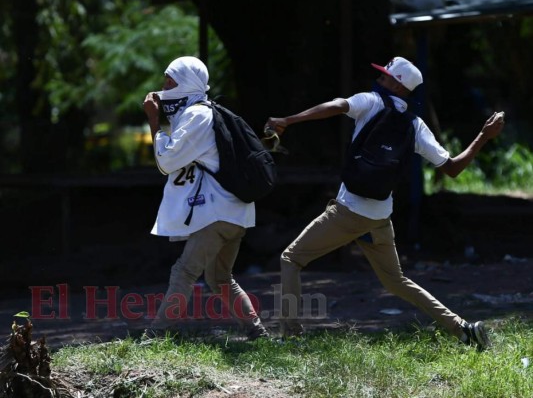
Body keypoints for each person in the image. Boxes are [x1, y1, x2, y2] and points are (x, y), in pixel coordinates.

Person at [264, 56, 505, 350]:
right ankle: (464, 329)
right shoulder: (415, 125)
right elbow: (452, 168)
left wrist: (288, 121)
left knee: (291, 259)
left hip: (349, 212)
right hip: (378, 216)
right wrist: (484, 135)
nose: (379, 79)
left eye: (385, 76)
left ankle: (290, 336)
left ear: (397, 84)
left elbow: (337, 105)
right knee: (396, 281)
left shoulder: (371, 102)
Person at [142, 56, 269, 340]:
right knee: (220, 279)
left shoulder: (197, 115)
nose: (164, 87)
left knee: (184, 271)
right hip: (234, 212)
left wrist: (154, 119)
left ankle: (155, 335)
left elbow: (167, 162)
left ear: (187, 82)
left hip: (217, 212)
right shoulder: (197, 113)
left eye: (170, 80)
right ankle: (257, 333)